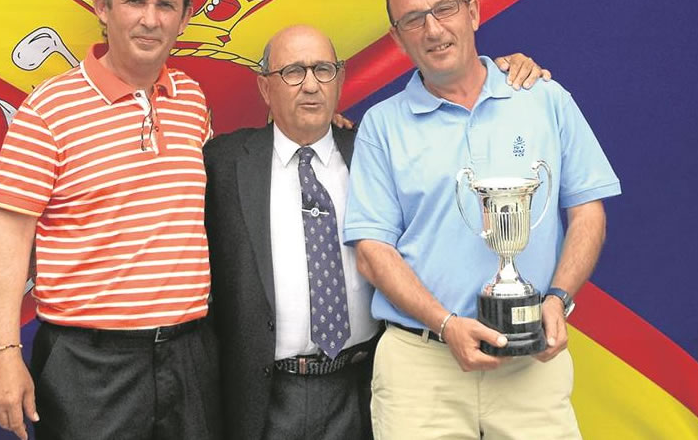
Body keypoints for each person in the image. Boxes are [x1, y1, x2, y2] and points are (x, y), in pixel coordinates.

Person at [203, 24, 550, 440]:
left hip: (365, 384)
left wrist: (506, 70)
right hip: (267, 392)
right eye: (293, 72)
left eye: (323, 70)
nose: (311, 85)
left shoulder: (376, 149)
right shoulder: (222, 164)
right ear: (264, 87)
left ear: (341, 78)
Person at [344, 0, 622, 439]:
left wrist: (558, 298)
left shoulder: (545, 99)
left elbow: (587, 212)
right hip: (421, 369)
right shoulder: (381, 126)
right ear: (397, 39)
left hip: (532, 364)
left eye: (445, 9)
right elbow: (372, 252)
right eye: (414, 19)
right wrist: (446, 323)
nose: (433, 29)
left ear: (473, 12)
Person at [0, 0, 220, 439]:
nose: (150, 20)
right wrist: (3, 353)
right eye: (134, 2)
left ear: (184, 18)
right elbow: (9, 235)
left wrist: (317, 132)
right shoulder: (48, 109)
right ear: (101, 7)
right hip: (89, 366)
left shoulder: (192, 101)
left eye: (165, 5)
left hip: (190, 354)